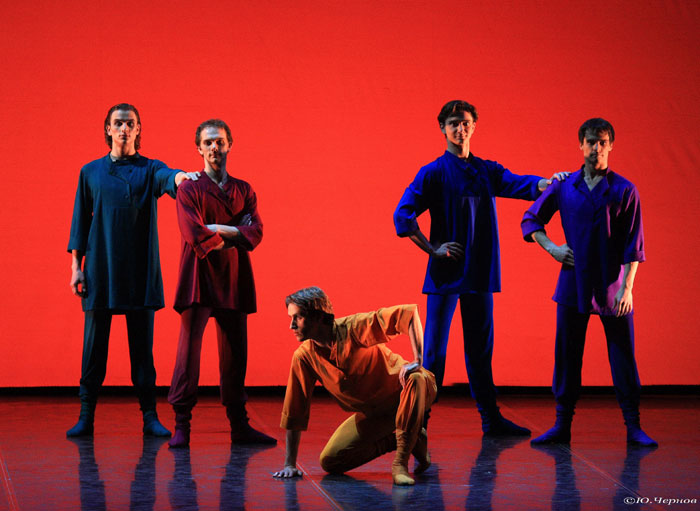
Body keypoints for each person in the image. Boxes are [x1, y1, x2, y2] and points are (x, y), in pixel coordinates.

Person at [393, 100, 568, 435]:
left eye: (466, 123)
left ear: (474, 126)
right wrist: (432, 249)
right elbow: (403, 215)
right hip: (445, 275)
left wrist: (551, 182)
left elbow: (522, 184)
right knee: (434, 353)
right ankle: (420, 421)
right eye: (454, 123)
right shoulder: (433, 173)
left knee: (480, 350)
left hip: (479, 274)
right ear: (443, 128)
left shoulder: (486, 170)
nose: (460, 129)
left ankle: (491, 419)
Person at [521, 118, 656, 446]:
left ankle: (633, 426)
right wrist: (553, 248)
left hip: (612, 284)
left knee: (622, 355)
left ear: (611, 146)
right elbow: (531, 219)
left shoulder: (624, 189)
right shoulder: (564, 186)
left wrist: (627, 288)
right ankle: (562, 425)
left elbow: (634, 244)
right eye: (591, 141)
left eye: (602, 142)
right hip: (573, 282)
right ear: (580, 144)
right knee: (567, 354)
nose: (596, 148)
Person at [67, 103, 198, 437]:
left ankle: (149, 416)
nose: (124, 128)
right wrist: (76, 268)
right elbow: (80, 221)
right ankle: (86, 416)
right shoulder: (91, 172)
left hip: (139, 271)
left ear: (138, 129)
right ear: (108, 129)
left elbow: (168, 177)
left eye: (130, 123)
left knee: (142, 351)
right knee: (93, 350)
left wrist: (180, 177)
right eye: (118, 123)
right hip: (100, 270)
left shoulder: (149, 169)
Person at [167, 119, 276, 448]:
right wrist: (236, 234)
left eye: (220, 141)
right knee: (188, 352)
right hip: (198, 276)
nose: (215, 147)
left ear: (230, 145)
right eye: (208, 142)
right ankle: (182, 424)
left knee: (235, 353)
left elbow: (256, 232)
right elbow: (194, 233)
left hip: (233, 276)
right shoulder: (189, 189)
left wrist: (221, 229)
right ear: (199, 148)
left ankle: (239, 425)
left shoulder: (244, 190)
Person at [273, 287, 437, 486]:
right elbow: (295, 410)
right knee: (331, 461)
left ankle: (400, 463)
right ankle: (413, 438)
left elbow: (408, 314)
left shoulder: (353, 328)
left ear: (318, 316)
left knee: (416, 378)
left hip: (407, 394)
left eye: (298, 317)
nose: (291, 325)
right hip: (376, 414)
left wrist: (417, 360)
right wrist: (289, 464)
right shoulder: (304, 356)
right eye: (291, 318)